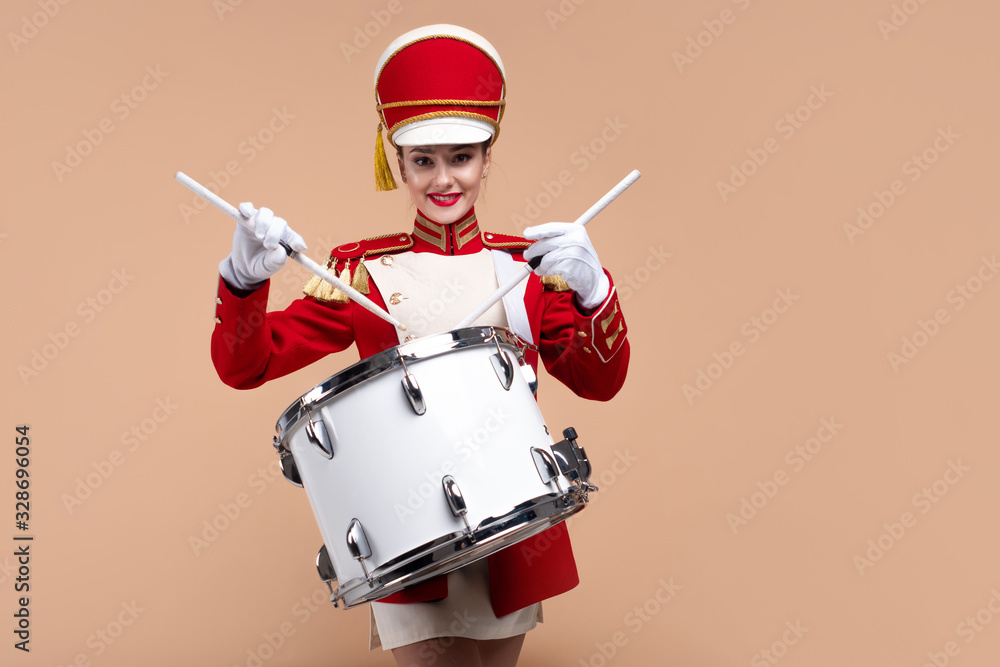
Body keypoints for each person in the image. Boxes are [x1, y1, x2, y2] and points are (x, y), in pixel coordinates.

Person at [210, 24, 629, 667]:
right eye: (423, 160)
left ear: (487, 158)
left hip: (512, 528)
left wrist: (596, 290)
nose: (443, 179)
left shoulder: (526, 268)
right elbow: (249, 364)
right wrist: (242, 283)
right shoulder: (362, 272)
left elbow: (599, 382)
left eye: (460, 158)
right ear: (398, 164)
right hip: (406, 533)